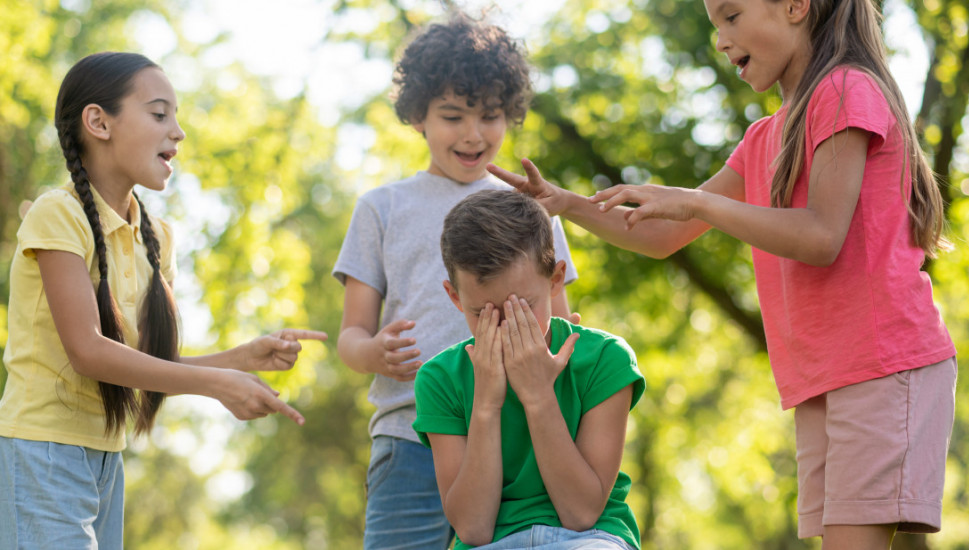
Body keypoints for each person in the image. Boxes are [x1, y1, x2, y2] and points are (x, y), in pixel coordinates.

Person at [489, 0, 957, 548]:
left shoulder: (844, 89)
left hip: (881, 363)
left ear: (795, 6)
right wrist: (566, 203)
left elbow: (821, 237)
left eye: (731, 17)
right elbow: (660, 234)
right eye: (715, 24)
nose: (720, 38)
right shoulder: (763, 139)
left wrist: (697, 203)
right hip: (826, 375)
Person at [0, 51, 327, 549]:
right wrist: (217, 383)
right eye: (159, 114)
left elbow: (146, 366)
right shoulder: (57, 214)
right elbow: (88, 352)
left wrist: (239, 359)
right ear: (98, 122)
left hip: (107, 460)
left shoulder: (156, 236)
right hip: (41, 452)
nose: (178, 132)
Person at [332, 15, 579, 550]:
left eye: (490, 116)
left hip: (517, 435)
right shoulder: (382, 208)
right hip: (410, 434)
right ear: (417, 116)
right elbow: (350, 336)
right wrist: (373, 352)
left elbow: (559, 319)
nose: (473, 134)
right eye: (452, 116)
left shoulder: (534, 207)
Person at [412, 190, 644, 550]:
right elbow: (473, 530)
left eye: (523, 307)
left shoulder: (604, 359)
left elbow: (581, 513)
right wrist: (486, 404)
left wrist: (538, 396)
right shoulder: (440, 379)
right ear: (455, 297)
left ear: (555, 280)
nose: (507, 328)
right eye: (484, 314)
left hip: (590, 539)